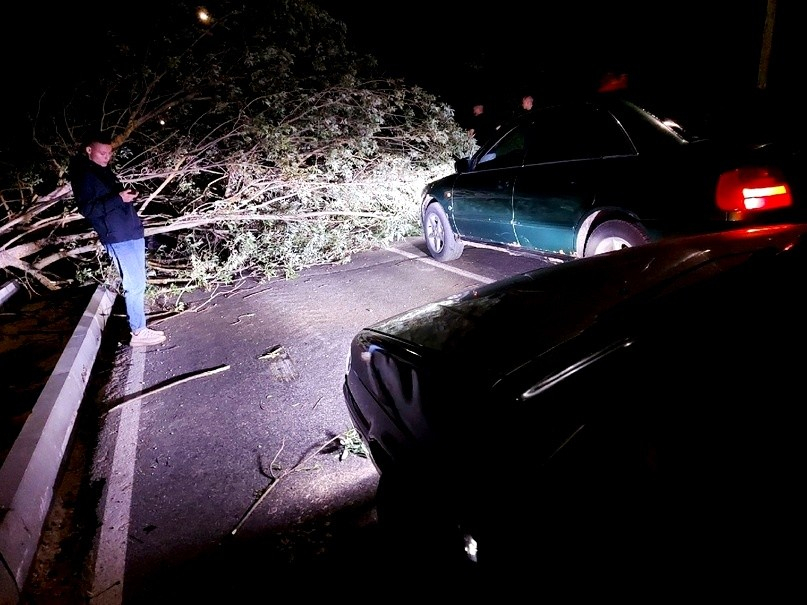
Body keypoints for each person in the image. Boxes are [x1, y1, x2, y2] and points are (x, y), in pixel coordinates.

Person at [69, 131, 166, 347]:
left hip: (131, 230)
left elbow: (112, 201)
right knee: (135, 283)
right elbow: (88, 210)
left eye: (109, 153)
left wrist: (126, 196)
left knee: (139, 281)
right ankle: (139, 332)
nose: (107, 157)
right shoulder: (83, 174)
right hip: (117, 236)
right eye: (102, 153)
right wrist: (118, 197)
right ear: (89, 150)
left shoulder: (105, 171)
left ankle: (140, 328)